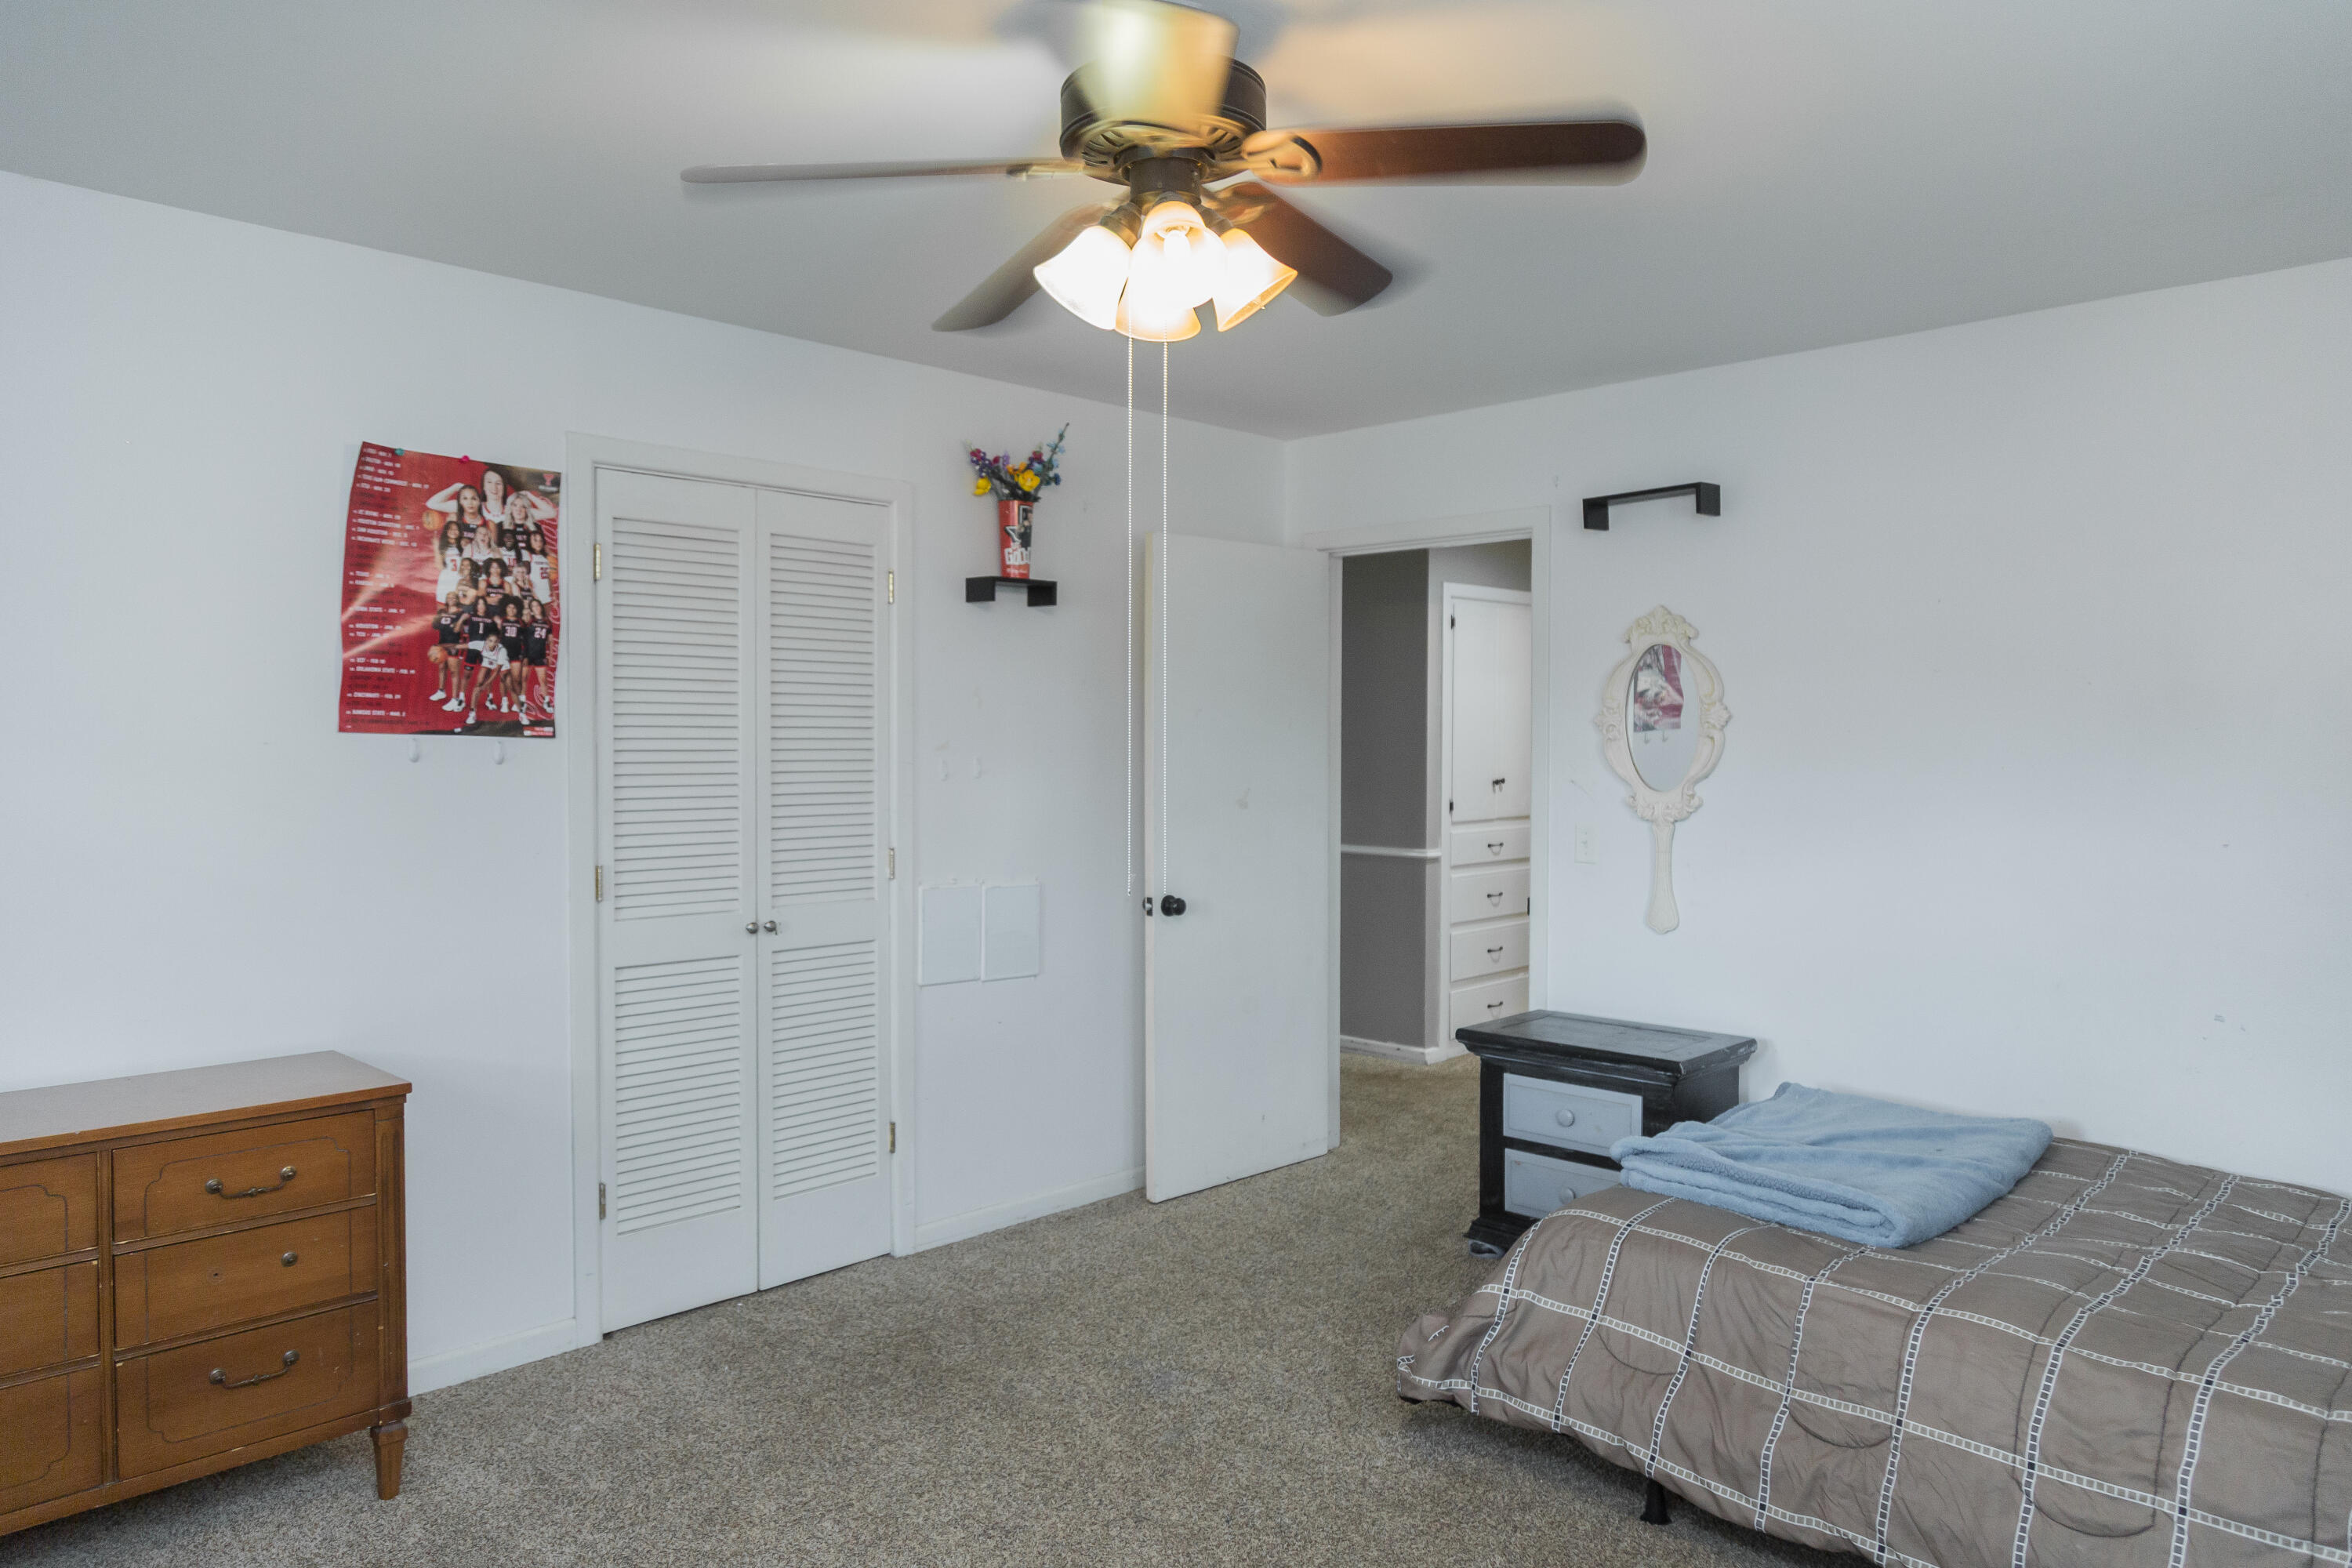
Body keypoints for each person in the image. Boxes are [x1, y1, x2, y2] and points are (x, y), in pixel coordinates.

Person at [426, 592, 465, 704]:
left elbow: (461, 629)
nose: (451, 599)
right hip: (442, 643)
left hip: (454, 644)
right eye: (449, 598)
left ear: (457, 600)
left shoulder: (461, 613)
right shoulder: (442, 611)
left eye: (453, 597)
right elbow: (435, 626)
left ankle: (455, 698)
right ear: (446, 600)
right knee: (442, 668)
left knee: (454, 672)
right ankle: (441, 691)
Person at [522, 597, 554, 716]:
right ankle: (522, 701)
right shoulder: (529, 619)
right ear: (531, 609)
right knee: (524, 678)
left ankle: (546, 702)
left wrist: (550, 655)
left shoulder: (548, 622)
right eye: (533, 606)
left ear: (541, 607)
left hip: (540, 653)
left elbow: (551, 640)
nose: (536, 608)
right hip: (528, 653)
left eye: (538, 605)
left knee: (543, 680)